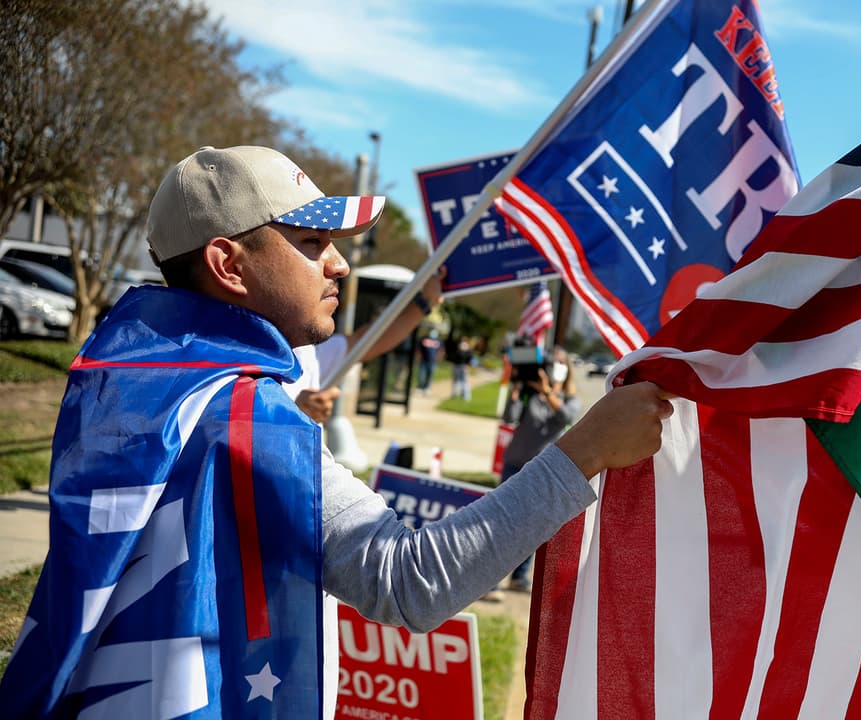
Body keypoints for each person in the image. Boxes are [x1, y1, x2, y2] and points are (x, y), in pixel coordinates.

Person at [0, 145, 674, 719]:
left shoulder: (128, 378)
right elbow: (411, 582)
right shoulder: (243, 417)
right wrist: (586, 450)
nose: (340, 265)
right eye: (313, 244)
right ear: (229, 265)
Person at [290, 266, 446, 424]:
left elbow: (367, 341)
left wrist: (425, 303)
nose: (341, 265)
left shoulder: (305, 352)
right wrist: (292, 419)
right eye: (312, 241)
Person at [497, 345, 580, 593]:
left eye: (559, 362)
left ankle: (519, 576)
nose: (553, 366)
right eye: (550, 362)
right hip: (514, 464)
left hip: (541, 471)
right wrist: (516, 389)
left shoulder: (570, 399)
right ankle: (491, 579)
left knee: (531, 527)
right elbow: (508, 417)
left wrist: (546, 391)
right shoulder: (528, 394)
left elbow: (565, 417)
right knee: (502, 522)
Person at [451, 336, 474, 401]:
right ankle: (455, 394)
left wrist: (468, 366)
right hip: (457, 366)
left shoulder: (468, 350)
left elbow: (470, 359)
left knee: (464, 382)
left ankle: (466, 396)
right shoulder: (458, 349)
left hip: (463, 366)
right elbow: (454, 357)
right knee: (456, 381)